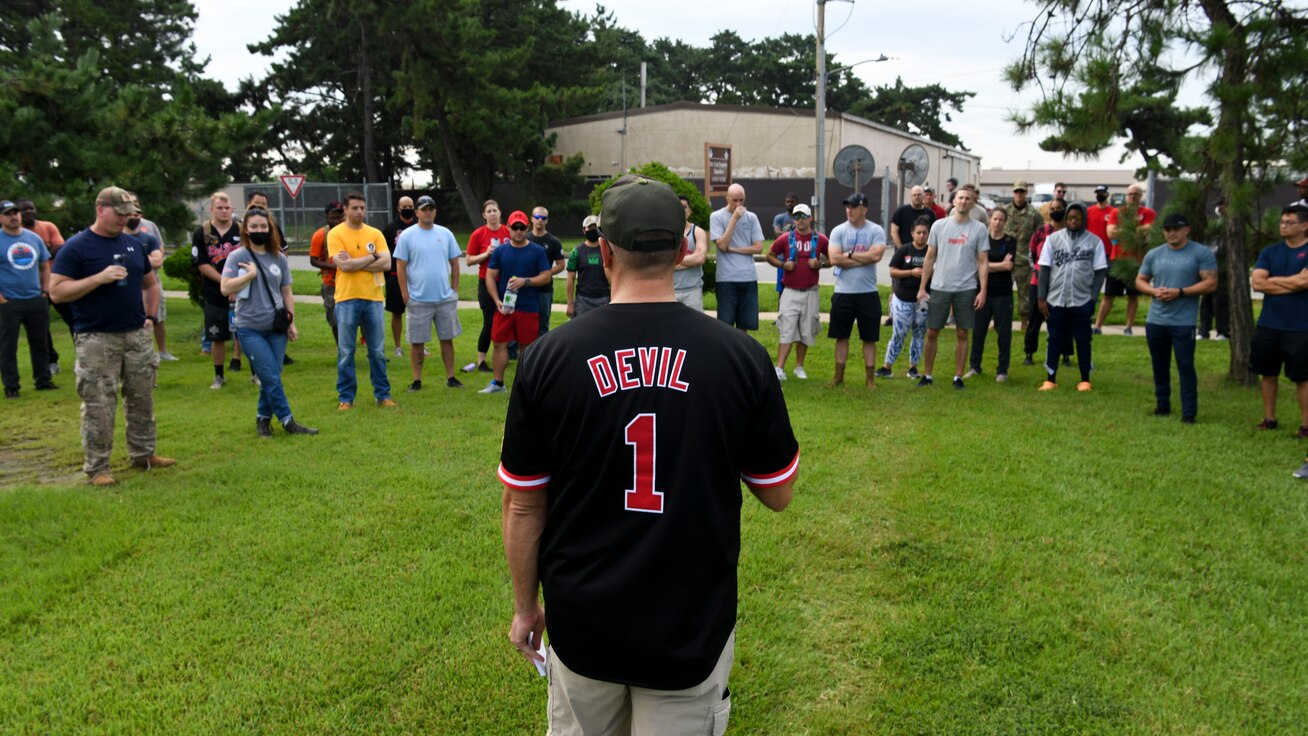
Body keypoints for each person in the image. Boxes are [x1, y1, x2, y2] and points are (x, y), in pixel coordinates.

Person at [499, 174, 798, 735]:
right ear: (685, 249)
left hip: (583, 619)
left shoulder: (547, 357)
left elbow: (521, 504)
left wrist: (525, 608)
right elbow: (778, 491)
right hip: (688, 623)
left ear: (604, 251)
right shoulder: (739, 357)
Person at [49, 187, 175, 486]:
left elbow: (150, 284)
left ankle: (144, 453)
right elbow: (56, 291)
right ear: (100, 209)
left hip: (136, 335)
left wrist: (149, 316)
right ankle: (97, 468)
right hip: (96, 338)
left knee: (142, 398)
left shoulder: (133, 245)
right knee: (99, 404)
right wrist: (97, 278)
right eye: (118, 213)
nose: (124, 219)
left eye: (128, 214)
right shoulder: (77, 247)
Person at [219, 207, 317, 437]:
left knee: (270, 374)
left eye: (263, 226)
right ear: (245, 229)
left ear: (270, 228)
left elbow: (286, 291)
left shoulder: (278, 257)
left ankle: (263, 420)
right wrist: (249, 276)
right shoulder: (237, 256)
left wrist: (291, 322)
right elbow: (225, 288)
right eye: (254, 226)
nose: (259, 230)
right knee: (270, 375)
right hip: (249, 327)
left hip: (276, 327)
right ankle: (287, 420)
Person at [1134, 213, 1218, 423]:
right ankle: (1162, 405)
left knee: (1185, 366)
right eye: (1167, 229)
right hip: (1156, 320)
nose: (1172, 233)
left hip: (1184, 321)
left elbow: (1210, 283)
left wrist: (1180, 292)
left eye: (1176, 229)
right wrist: (1153, 292)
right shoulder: (1154, 254)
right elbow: (1140, 280)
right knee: (1159, 365)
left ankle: (1189, 412)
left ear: (1187, 230)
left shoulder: (1201, 253)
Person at [328, 191, 397, 410]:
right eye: (355, 208)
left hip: (373, 297)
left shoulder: (375, 233)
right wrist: (372, 257)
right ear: (346, 210)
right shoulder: (336, 234)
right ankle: (346, 398)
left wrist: (358, 262)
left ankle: (383, 395)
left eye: (362, 208)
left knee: (377, 350)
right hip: (347, 298)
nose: (359, 212)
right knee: (347, 350)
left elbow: (387, 264)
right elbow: (344, 266)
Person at [917, 187, 989, 390]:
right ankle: (927, 375)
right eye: (960, 198)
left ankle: (958, 377)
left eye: (968, 198)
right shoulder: (939, 226)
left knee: (962, 333)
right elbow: (929, 257)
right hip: (940, 286)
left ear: (973, 202)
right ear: (954, 201)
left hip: (966, 287)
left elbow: (983, 261)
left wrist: (983, 290)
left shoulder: (979, 229)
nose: (964, 201)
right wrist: (923, 288)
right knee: (932, 332)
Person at [1249, 204, 1308, 436]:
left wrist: (1276, 282)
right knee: (1268, 373)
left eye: (1289, 222)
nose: (1284, 225)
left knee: (1303, 378)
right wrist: (1294, 282)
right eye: (1282, 222)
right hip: (1269, 324)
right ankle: (1269, 419)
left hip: (1301, 326)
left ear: (1305, 226)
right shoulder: (1270, 252)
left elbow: (1306, 283)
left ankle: (1305, 426)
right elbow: (1258, 283)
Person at [1037, 202, 1108, 392]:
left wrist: (1092, 298)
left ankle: (1085, 379)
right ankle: (1050, 378)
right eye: (1070, 218)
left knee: (1083, 339)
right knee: (1054, 338)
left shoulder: (1095, 241)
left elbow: (1100, 272)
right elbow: (1044, 269)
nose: (1073, 221)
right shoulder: (1053, 240)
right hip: (1056, 299)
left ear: (1084, 219)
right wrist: (1041, 297)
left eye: (1077, 217)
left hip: (1082, 299)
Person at [395, 195, 463, 391]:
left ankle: (451, 377)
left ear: (435, 211)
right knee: (417, 341)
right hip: (418, 298)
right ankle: (417, 380)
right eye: (424, 209)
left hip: (444, 298)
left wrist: (455, 290)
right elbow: (401, 266)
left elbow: (455, 263)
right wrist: (405, 294)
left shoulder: (445, 233)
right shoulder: (407, 236)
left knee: (447, 338)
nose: (428, 212)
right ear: (416, 212)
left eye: (431, 208)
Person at [480, 211, 551, 394]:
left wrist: (525, 281)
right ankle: (498, 383)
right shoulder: (501, 251)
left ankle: (526, 385)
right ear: (508, 228)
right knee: (498, 343)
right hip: (505, 308)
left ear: (527, 228)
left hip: (528, 308)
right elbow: (490, 275)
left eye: (521, 227)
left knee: (526, 348)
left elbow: (546, 276)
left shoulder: (537, 251)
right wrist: (496, 300)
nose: (518, 231)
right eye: (514, 227)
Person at [826, 193, 887, 387]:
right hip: (843, 292)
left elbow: (876, 256)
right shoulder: (838, 231)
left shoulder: (876, 230)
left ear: (864, 209)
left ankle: (870, 380)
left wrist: (850, 255)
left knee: (869, 337)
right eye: (847, 207)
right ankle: (838, 377)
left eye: (853, 207)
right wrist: (863, 257)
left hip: (867, 292)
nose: (849, 210)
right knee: (841, 336)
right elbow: (834, 259)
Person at [765, 203, 827, 381]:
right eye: (797, 217)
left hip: (810, 291)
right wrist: (783, 265)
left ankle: (799, 367)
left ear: (810, 218)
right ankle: (779, 367)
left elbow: (832, 258)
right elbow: (770, 255)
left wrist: (819, 264)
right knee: (787, 328)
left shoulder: (820, 239)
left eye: (804, 216)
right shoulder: (786, 238)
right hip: (790, 291)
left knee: (806, 330)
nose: (800, 220)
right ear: (793, 219)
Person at [0, 199, 55, 398]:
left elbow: (44, 266)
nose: (14, 217)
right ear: (1, 218)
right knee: (8, 346)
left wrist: (44, 291)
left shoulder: (33, 238)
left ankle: (43, 380)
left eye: (16, 212)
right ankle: (11, 386)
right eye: (8, 213)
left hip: (35, 298)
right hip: (9, 301)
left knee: (40, 342)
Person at [192, 192, 242, 389]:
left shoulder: (241, 230)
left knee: (245, 333)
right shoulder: (202, 232)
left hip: (241, 292)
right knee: (217, 336)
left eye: (227, 208)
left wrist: (237, 285)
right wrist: (225, 283)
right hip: (214, 293)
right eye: (219, 208)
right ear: (212, 209)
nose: (224, 211)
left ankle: (255, 373)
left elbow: (249, 259)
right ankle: (219, 376)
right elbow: (202, 263)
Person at [16, 198, 70, 373]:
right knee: (41, 326)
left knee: (73, 318)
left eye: (31, 209)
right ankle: (51, 361)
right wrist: (47, 248)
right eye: (24, 210)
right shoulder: (17, 233)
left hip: (57, 280)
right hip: (36, 287)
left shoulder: (48, 226)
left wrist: (40, 252)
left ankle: (83, 355)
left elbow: (60, 248)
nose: (28, 212)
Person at [1094, 182, 1155, 336]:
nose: (1133, 197)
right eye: (1130, 194)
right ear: (1126, 196)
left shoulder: (1147, 212)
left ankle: (1128, 327)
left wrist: (1125, 231)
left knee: (1133, 295)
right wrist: (1135, 231)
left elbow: (1148, 229)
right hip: (1117, 259)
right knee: (1109, 295)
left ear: (1141, 196)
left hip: (1136, 261)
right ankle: (1098, 325)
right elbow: (1110, 233)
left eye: (1136, 194)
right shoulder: (1117, 212)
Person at [876, 218, 931, 379]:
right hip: (903, 299)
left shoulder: (932, 251)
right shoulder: (904, 250)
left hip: (923, 301)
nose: (921, 236)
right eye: (918, 233)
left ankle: (913, 368)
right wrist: (911, 272)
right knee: (898, 334)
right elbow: (893, 271)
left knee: (919, 334)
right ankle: (887, 367)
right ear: (912, 234)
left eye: (924, 233)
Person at [1023, 198, 1074, 366]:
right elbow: (1031, 253)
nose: (1056, 210)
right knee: (1035, 318)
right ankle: (1029, 353)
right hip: (1039, 281)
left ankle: (1065, 354)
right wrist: (1036, 269)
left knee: (1065, 319)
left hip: (1062, 283)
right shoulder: (1041, 231)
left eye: (1059, 208)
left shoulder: (1071, 233)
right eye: (1053, 208)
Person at [968, 208, 1016, 382]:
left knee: (1004, 334)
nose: (997, 222)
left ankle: (1002, 370)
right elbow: (975, 263)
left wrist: (986, 265)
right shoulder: (982, 239)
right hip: (982, 292)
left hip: (1003, 293)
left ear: (1005, 222)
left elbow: (1008, 266)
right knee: (978, 331)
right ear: (989, 220)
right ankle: (974, 366)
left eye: (1001, 219)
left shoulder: (1010, 241)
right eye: (995, 219)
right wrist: (996, 265)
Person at [710, 183, 765, 333]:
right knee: (725, 325)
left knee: (745, 325)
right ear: (727, 198)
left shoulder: (752, 217)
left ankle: (742, 353)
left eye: (741, 200)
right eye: (734, 200)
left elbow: (759, 247)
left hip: (748, 277)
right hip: (726, 279)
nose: (738, 204)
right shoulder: (716, 216)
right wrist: (733, 219)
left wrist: (734, 249)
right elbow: (722, 244)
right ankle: (726, 354)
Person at [465, 200, 510, 373]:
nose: (492, 214)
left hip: (505, 282)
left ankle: (505, 354)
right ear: (484, 215)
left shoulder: (507, 231)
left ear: (500, 213)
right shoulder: (478, 234)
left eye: (495, 210)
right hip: (486, 282)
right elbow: (468, 260)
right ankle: (481, 360)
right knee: (490, 321)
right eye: (489, 211)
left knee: (507, 319)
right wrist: (486, 253)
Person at [125, 204, 174, 361]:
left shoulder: (149, 238)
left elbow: (158, 260)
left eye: (137, 213)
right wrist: (145, 260)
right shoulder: (119, 238)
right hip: (128, 287)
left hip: (150, 282)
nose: (134, 217)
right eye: (130, 213)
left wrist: (130, 260)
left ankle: (161, 351)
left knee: (156, 318)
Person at [381, 196, 416, 357]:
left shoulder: (419, 227)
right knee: (397, 312)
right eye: (405, 206)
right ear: (398, 208)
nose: (407, 208)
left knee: (419, 311)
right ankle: (398, 346)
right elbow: (384, 254)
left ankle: (419, 343)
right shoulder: (390, 229)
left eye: (410, 206)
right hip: (395, 276)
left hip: (416, 277)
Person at [1003, 180, 1043, 327]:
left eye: (1022, 191)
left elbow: (1040, 238)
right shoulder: (1004, 211)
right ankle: (1001, 320)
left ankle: (1024, 323)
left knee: (1024, 294)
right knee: (1002, 293)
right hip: (1005, 260)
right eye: (1016, 191)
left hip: (1025, 260)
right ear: (1013, 193)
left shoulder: (1034, 214)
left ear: (1026, 193)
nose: (1019, 194)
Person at [308, 201, 346, 343]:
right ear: (326, 217)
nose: (337, 220)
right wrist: (334, 266)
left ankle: (371, 352)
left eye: (340, 216)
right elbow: (313, 260)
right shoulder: (320, 235)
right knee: (335, 319)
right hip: (331, 283)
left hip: (352, 282)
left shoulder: (351, 232)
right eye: (333, 217)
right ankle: (341, 349)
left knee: (362, 318)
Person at [527, 206, 566, 335]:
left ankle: (541, 352)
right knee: (525, 321)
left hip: (544, 289)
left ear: (547, 221)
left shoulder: (553, 241)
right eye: (537, 217)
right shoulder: (526, 239)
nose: (540, 220)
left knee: (543, 323)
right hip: (526, 288)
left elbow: (561, 265)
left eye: (543, 218)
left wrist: (547, 273)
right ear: (532, 219)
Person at [566, 215, 610, 318]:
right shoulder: (576, 252)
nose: (593, 230)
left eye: (595, 228)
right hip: (583, 299)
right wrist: (570, 304)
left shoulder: (606, 250)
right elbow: (570, 278)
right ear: (584, 230)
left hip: (603, 298)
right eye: (590, 228)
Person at [674, 196, 708, 311]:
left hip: (693, 291)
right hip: (670, 292)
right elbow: (662, 262)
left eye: (684, 207)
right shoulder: (667, 232)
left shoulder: (698, 232)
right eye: (678, 207)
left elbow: (700, 259)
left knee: (695, 329)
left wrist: (674, 260)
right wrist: (690, 260)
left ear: (690, 210)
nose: (682, 210)